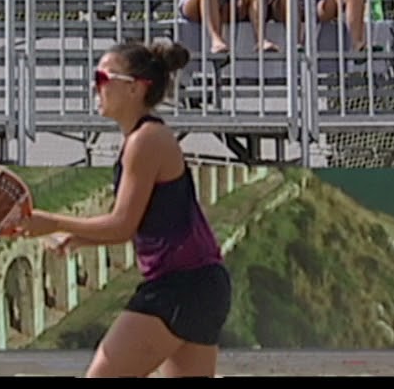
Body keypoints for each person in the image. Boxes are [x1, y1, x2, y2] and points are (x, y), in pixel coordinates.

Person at [15, 38, 232, 378]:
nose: (95, 86)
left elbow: (121, 226)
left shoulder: (146, 140)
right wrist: (78, 238)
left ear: (135, 88)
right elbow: (143, 222)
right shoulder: (142, 138)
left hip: (182, 285)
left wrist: (52, 221)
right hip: (201, 284)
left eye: (103, 78)